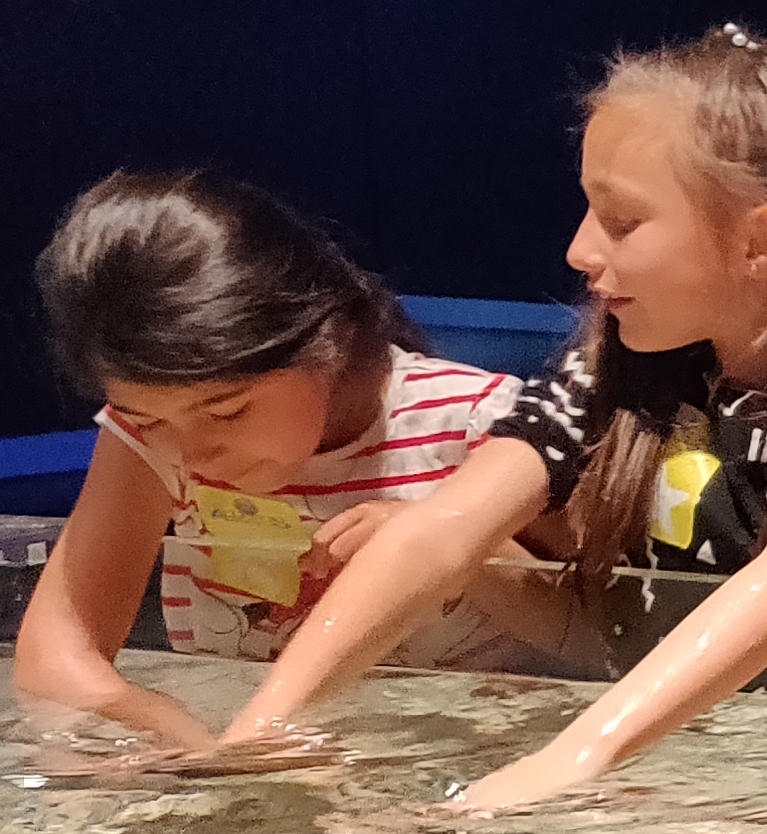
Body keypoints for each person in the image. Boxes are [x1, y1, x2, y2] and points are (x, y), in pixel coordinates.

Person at [217, 24, 767, 807]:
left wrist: (579, 755)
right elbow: (439, 531)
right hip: (683, 771)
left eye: (621, 221)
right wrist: (259, 732)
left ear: (760, 243)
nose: (580, 250)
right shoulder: (614, 366)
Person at [15, 172, 560, 751]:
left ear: (328, 340)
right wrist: (187, 742)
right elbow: (56, 657)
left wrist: (461, 546)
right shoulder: (148, 436)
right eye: (149, 419)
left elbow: (590, 638)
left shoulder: (483, 423)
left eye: (227, 411)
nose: (191, 452)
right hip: (240, 748)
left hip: (449, 751)